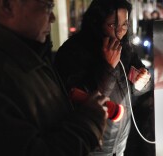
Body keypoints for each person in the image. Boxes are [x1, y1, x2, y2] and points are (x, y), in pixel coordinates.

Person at [0, 0, 109, 155]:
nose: (52, 17)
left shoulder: (29, 54)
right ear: (7, 6)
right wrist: (89, 123)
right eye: (47, 6)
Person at [54, 0, 152, 155]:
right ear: (96, 23)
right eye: (113, 25)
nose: (120, 32)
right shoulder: (73, 52)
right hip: (93, 145)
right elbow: (81, 100)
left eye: (124, 25)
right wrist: (107, 67)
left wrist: (142, 83)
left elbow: (140, 84)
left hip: (120, 143)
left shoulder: (125, 48)